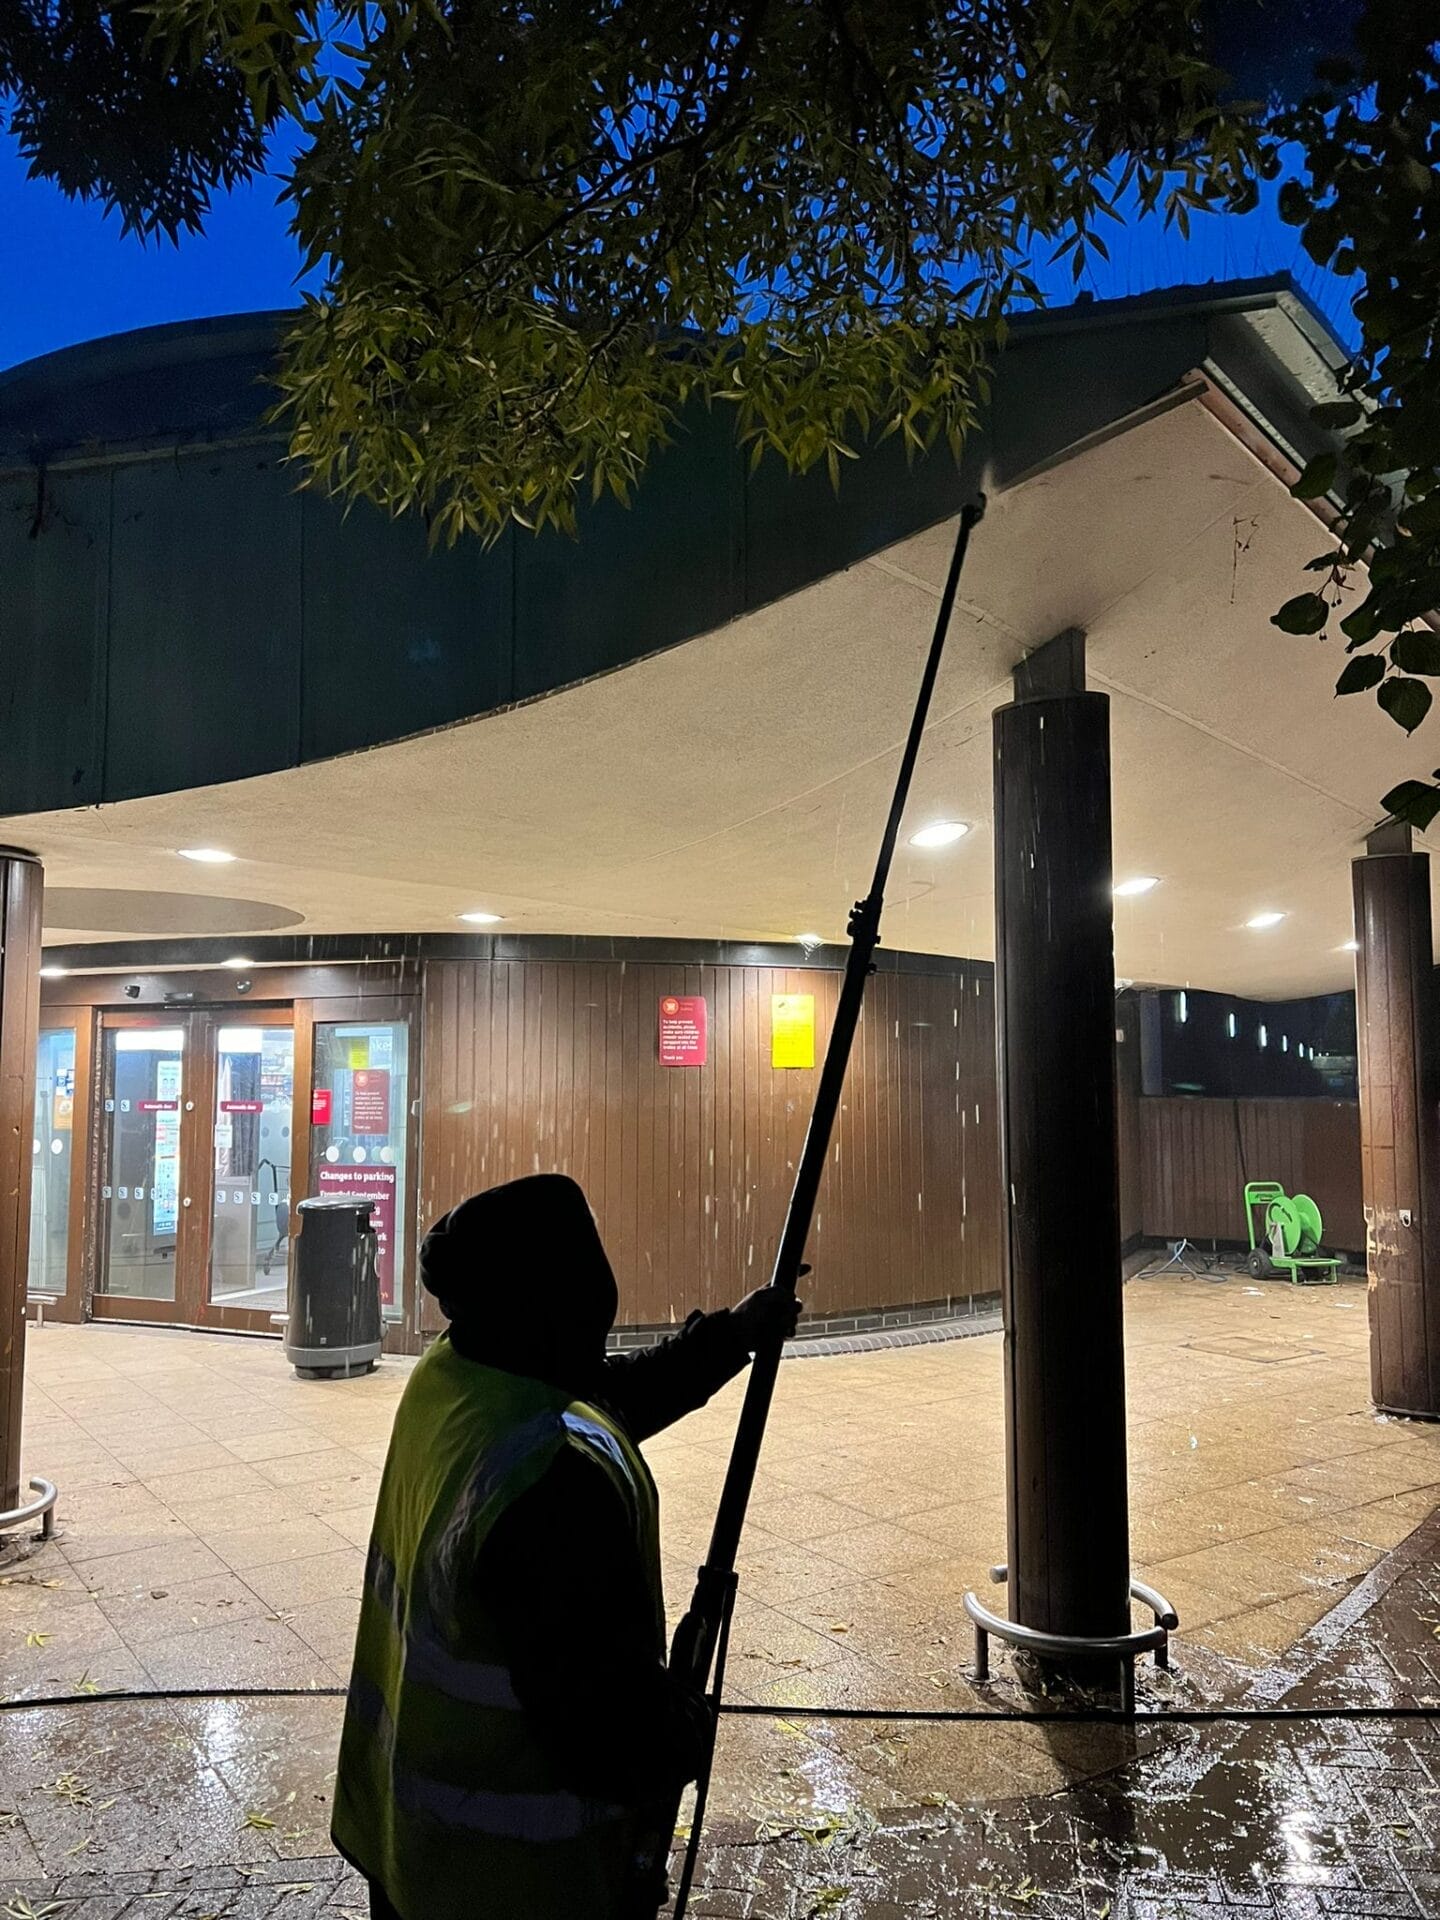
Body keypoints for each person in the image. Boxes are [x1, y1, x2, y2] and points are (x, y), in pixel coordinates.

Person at [332, 1172, 802, 1920]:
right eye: (588, 1312)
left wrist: (731, 1337)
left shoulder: (457, 1376)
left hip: (411, 1846)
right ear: (549, 1312)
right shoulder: (552, 1490)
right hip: (515, 1879)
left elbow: (607, 1394)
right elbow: (608, 1733)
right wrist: (684, 1726)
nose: (599, 1334)